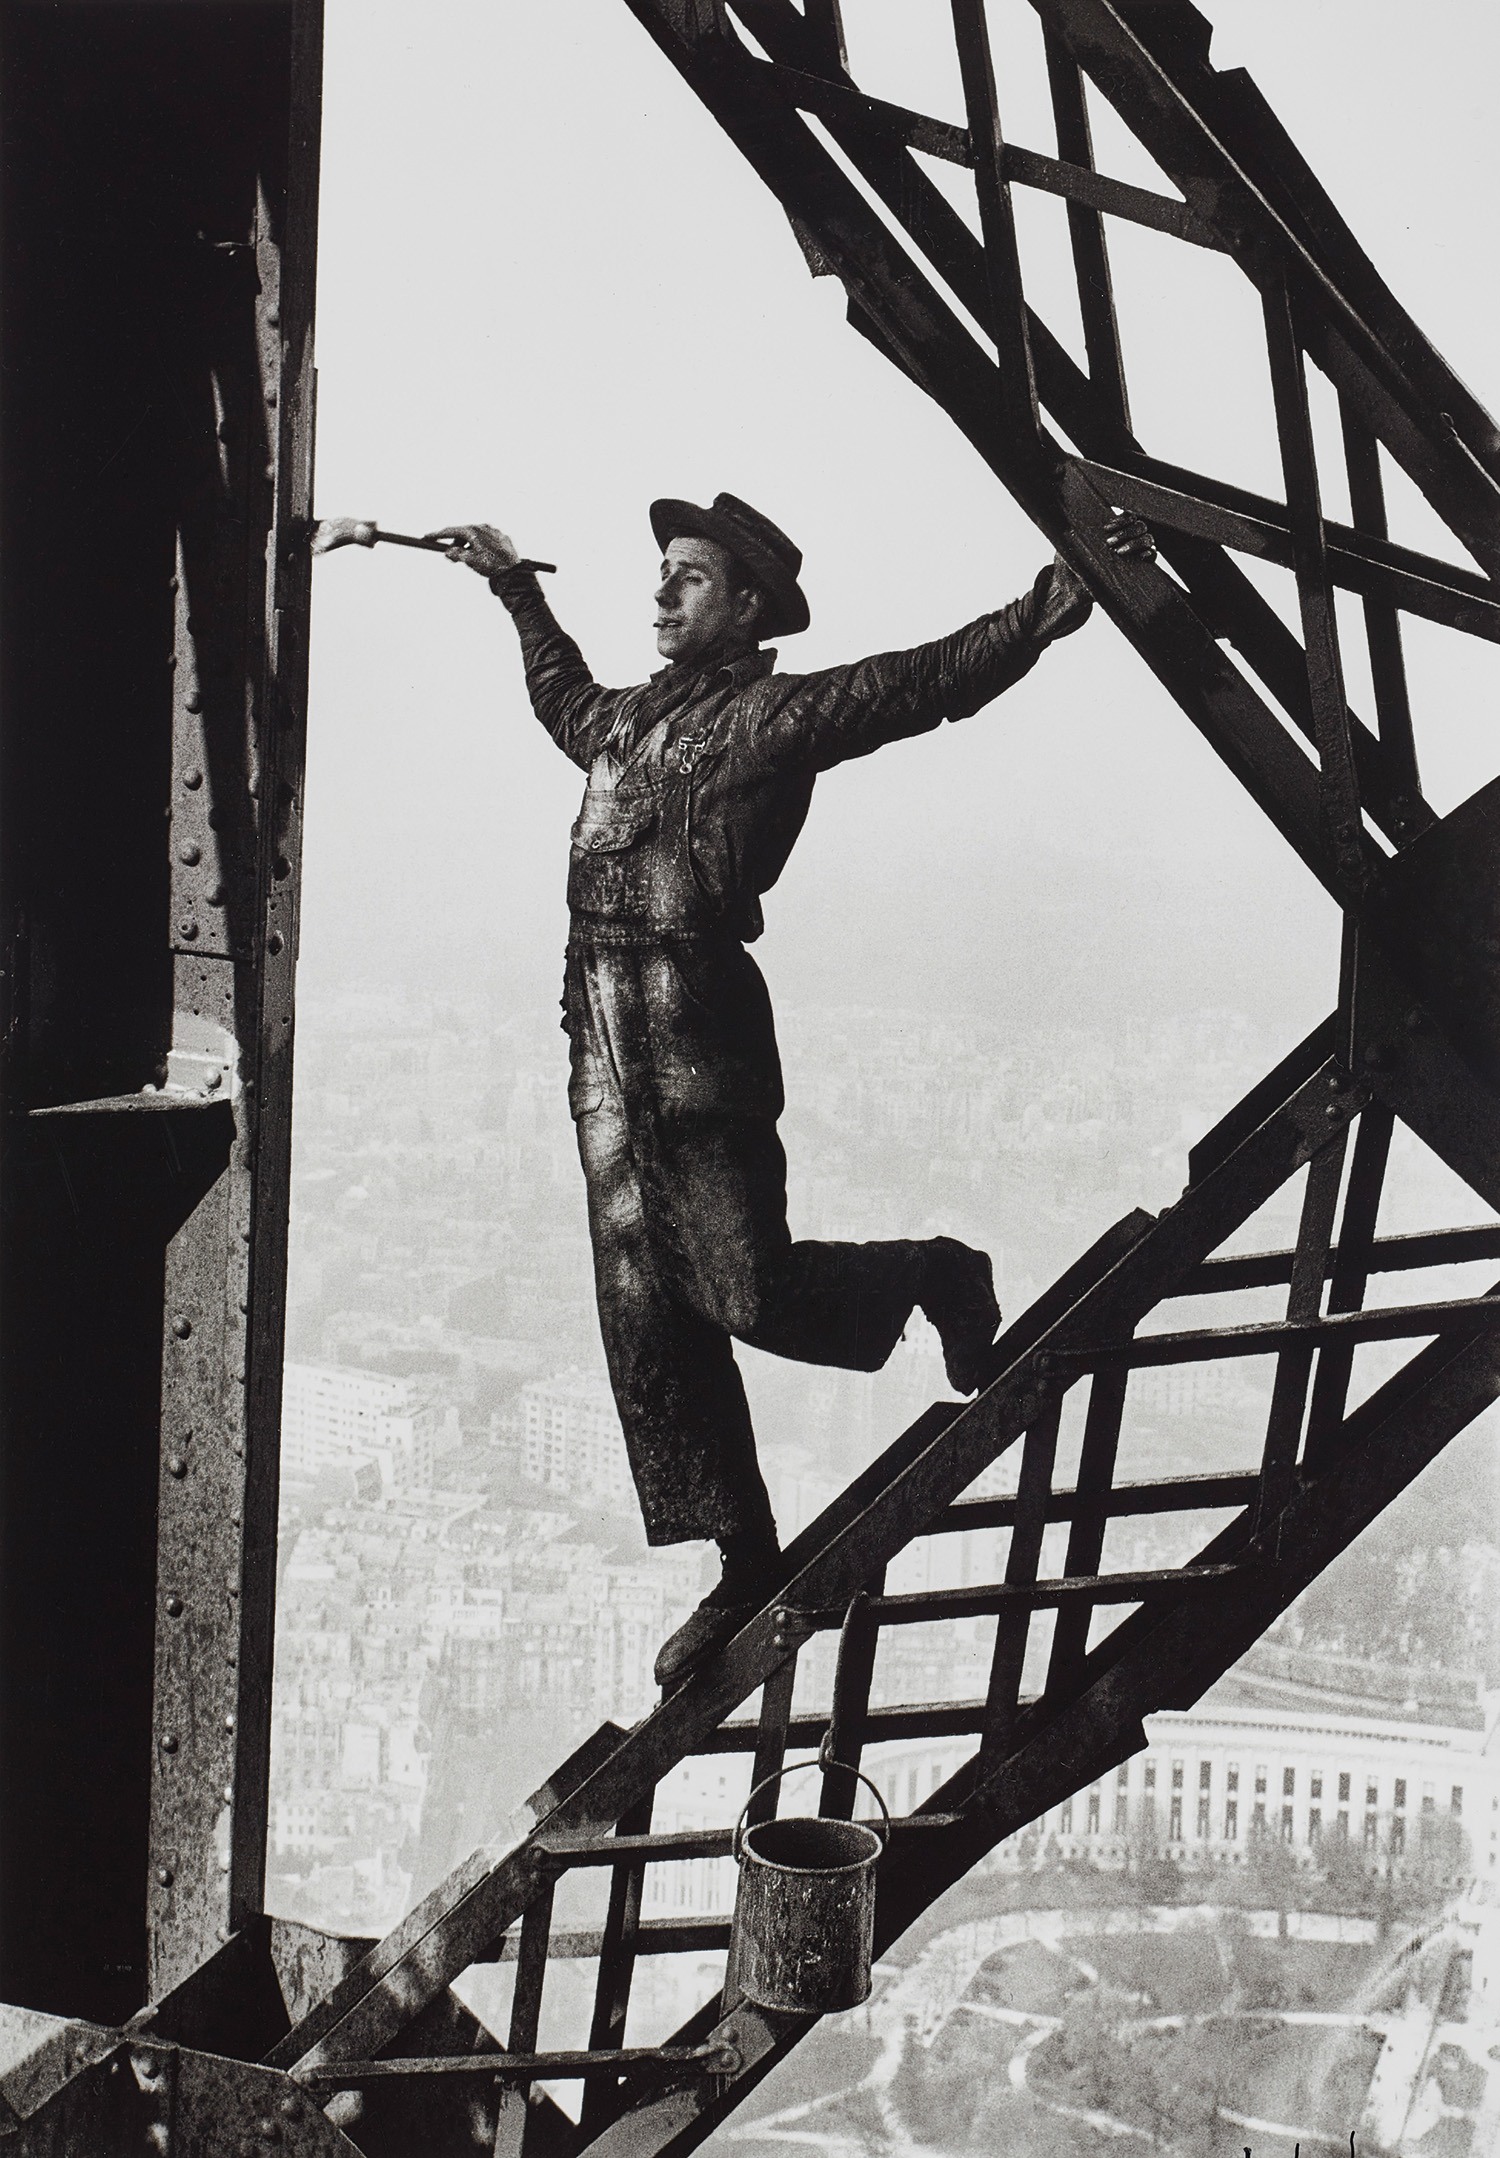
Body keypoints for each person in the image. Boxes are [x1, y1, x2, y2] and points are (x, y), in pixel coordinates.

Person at [315, 493, 1154, 1686]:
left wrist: (1038, 613)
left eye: (690, 577)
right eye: (661, 572)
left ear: (749, 605)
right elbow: (559, 694)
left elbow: (918, 684)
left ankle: (933, 1272)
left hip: (694, 1034)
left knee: (744, 1289)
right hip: (603, 1043)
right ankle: (741, 1556)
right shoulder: (623, 720)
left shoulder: (774, 717)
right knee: (644, 1310)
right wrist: (510, 583)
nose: (662, 593)